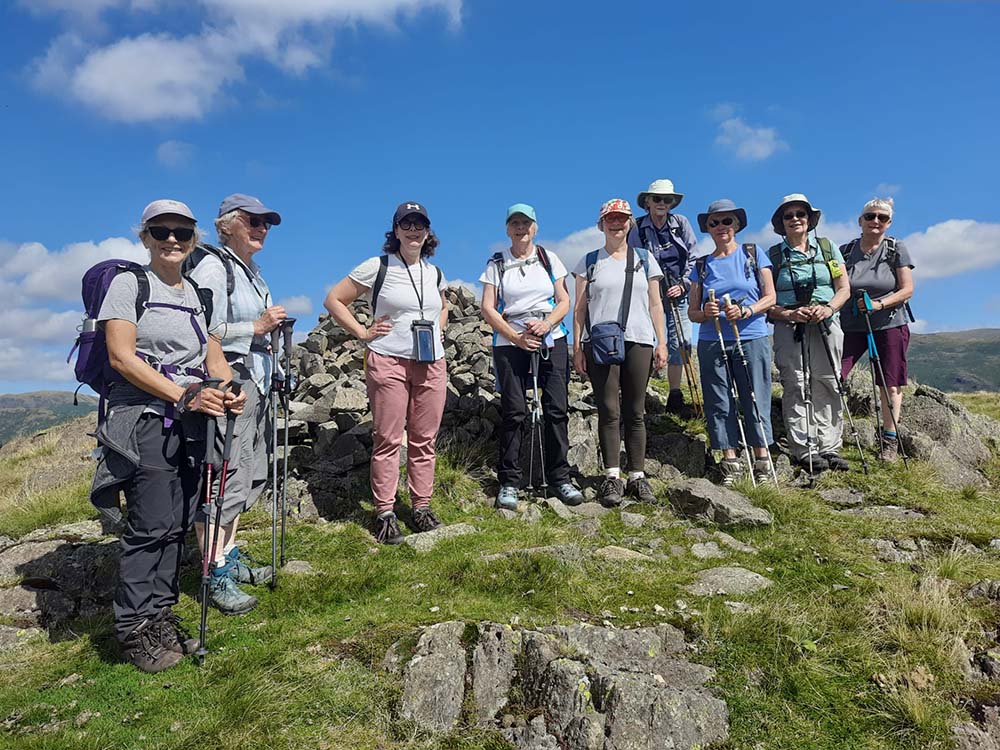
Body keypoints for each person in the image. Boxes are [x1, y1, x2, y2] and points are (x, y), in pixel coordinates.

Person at [90, 199, 245, 672]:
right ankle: (135, 629)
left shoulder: (199, 293)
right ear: (146, 237)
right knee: (151, 523)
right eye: (161, 231)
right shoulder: (128, 284)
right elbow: (121, 357)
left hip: (190, 418)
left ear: (194, 238)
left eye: (181, 232)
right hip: (144, 418)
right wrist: (183, 396)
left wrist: (228, 389)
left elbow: (212, 357)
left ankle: (160, 618)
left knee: (178, 522)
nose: (172, 240)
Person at [324, 202, 448, 543]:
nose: (413, 229)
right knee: (389, 439)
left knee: (425, 439)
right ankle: (385, 512)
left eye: (419, 224)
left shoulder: (434, 272)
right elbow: (334, 299)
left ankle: (421, 507)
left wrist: (439, 330)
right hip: (388, 358)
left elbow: (444, 305)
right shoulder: (376, 267)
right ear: (394, 231)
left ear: (428, 232)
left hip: (431, 362)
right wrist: (363, 333)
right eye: (405, 223)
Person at [187, 194, 285, 615]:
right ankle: (213, 570)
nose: (262, 228)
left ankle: (228, 554)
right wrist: (257, 326)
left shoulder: (251, 272)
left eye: (266, 223)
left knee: (245, 472)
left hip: (256, 380)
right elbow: (200, 327)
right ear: (226, 224)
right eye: (253, 221)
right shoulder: (213, 267)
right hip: (228, 380)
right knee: (223, 474)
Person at [480, 203, 583, 510]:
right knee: (513, 411)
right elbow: (488, 307)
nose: (520, 227)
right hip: (510, 340)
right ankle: (509, 482)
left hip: (552, 336)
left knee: (556, 408)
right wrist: (515, 337)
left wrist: (547, 323)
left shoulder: (549, 259)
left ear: (535, 227)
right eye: (515, 223)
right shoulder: (496, 264)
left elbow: (564, 300)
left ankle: (560, 478)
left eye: (526, 222)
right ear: (507, 229)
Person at [572, 198, 668, 507]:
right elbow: (580, 308)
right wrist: (577, 347)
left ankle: (637, 476)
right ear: (601, 224)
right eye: (610, 218)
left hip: (639, 339)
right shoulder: (588, 262)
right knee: (609, 409)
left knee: (636, 411)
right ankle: (612, 477)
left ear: (630, 223)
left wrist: (662, 341)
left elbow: (656, 304)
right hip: (600, 341)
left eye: (622, 218)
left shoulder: (645, 259)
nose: (616, 223)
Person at [687, 200, 777, 485]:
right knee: (719, 399)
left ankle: (761, 459)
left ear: (736, 225)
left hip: (751, 336)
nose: (721, 227)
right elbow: (692, 312)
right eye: (714, 223)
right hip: (712, 339)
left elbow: (770, 297)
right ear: (708, 229)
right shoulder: (701, 266)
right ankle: (731, 461)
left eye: (726, 221)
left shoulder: (753, 254)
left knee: (754, 395)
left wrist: (747, 310)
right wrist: (706, 313)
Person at [766, 193, 851, 473]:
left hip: (825, 323)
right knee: (795, 383)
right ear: (781, 222)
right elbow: (766, 302)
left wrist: (827, 309)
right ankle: (805, 449)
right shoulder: (774, 256)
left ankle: (829, 446)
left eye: (800, 214)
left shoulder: (829, 249)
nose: (795, 220)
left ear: (809, 219)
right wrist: (790, 313)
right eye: (788, 216)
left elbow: (843, 288)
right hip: (789, 326)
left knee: (827, 381)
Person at [839, 198, 915, 462]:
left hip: (889, 323)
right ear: (860, 220)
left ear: (889, 223)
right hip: (850, 324)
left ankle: (889, 439)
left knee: (889, 383)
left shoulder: (896, 249)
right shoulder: (845, 251)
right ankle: (827, 432)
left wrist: (879, 304)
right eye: (870, 216)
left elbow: (907, 289)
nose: (875, 221)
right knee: (834, 374)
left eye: (882, 218)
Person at [628, 179, 698, 412]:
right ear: (647, 202)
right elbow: (634, 262)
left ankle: (675, 394)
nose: (661, 203)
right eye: (657, 199)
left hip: (678, 293)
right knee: (647, 342)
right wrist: (652, 288)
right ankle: (639, 393)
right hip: (650, 295)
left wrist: (684, 284)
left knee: (682, 342)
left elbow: (694, 257)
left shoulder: (681, 223)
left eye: (666, 200)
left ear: (672, 203)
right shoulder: (637, 229)